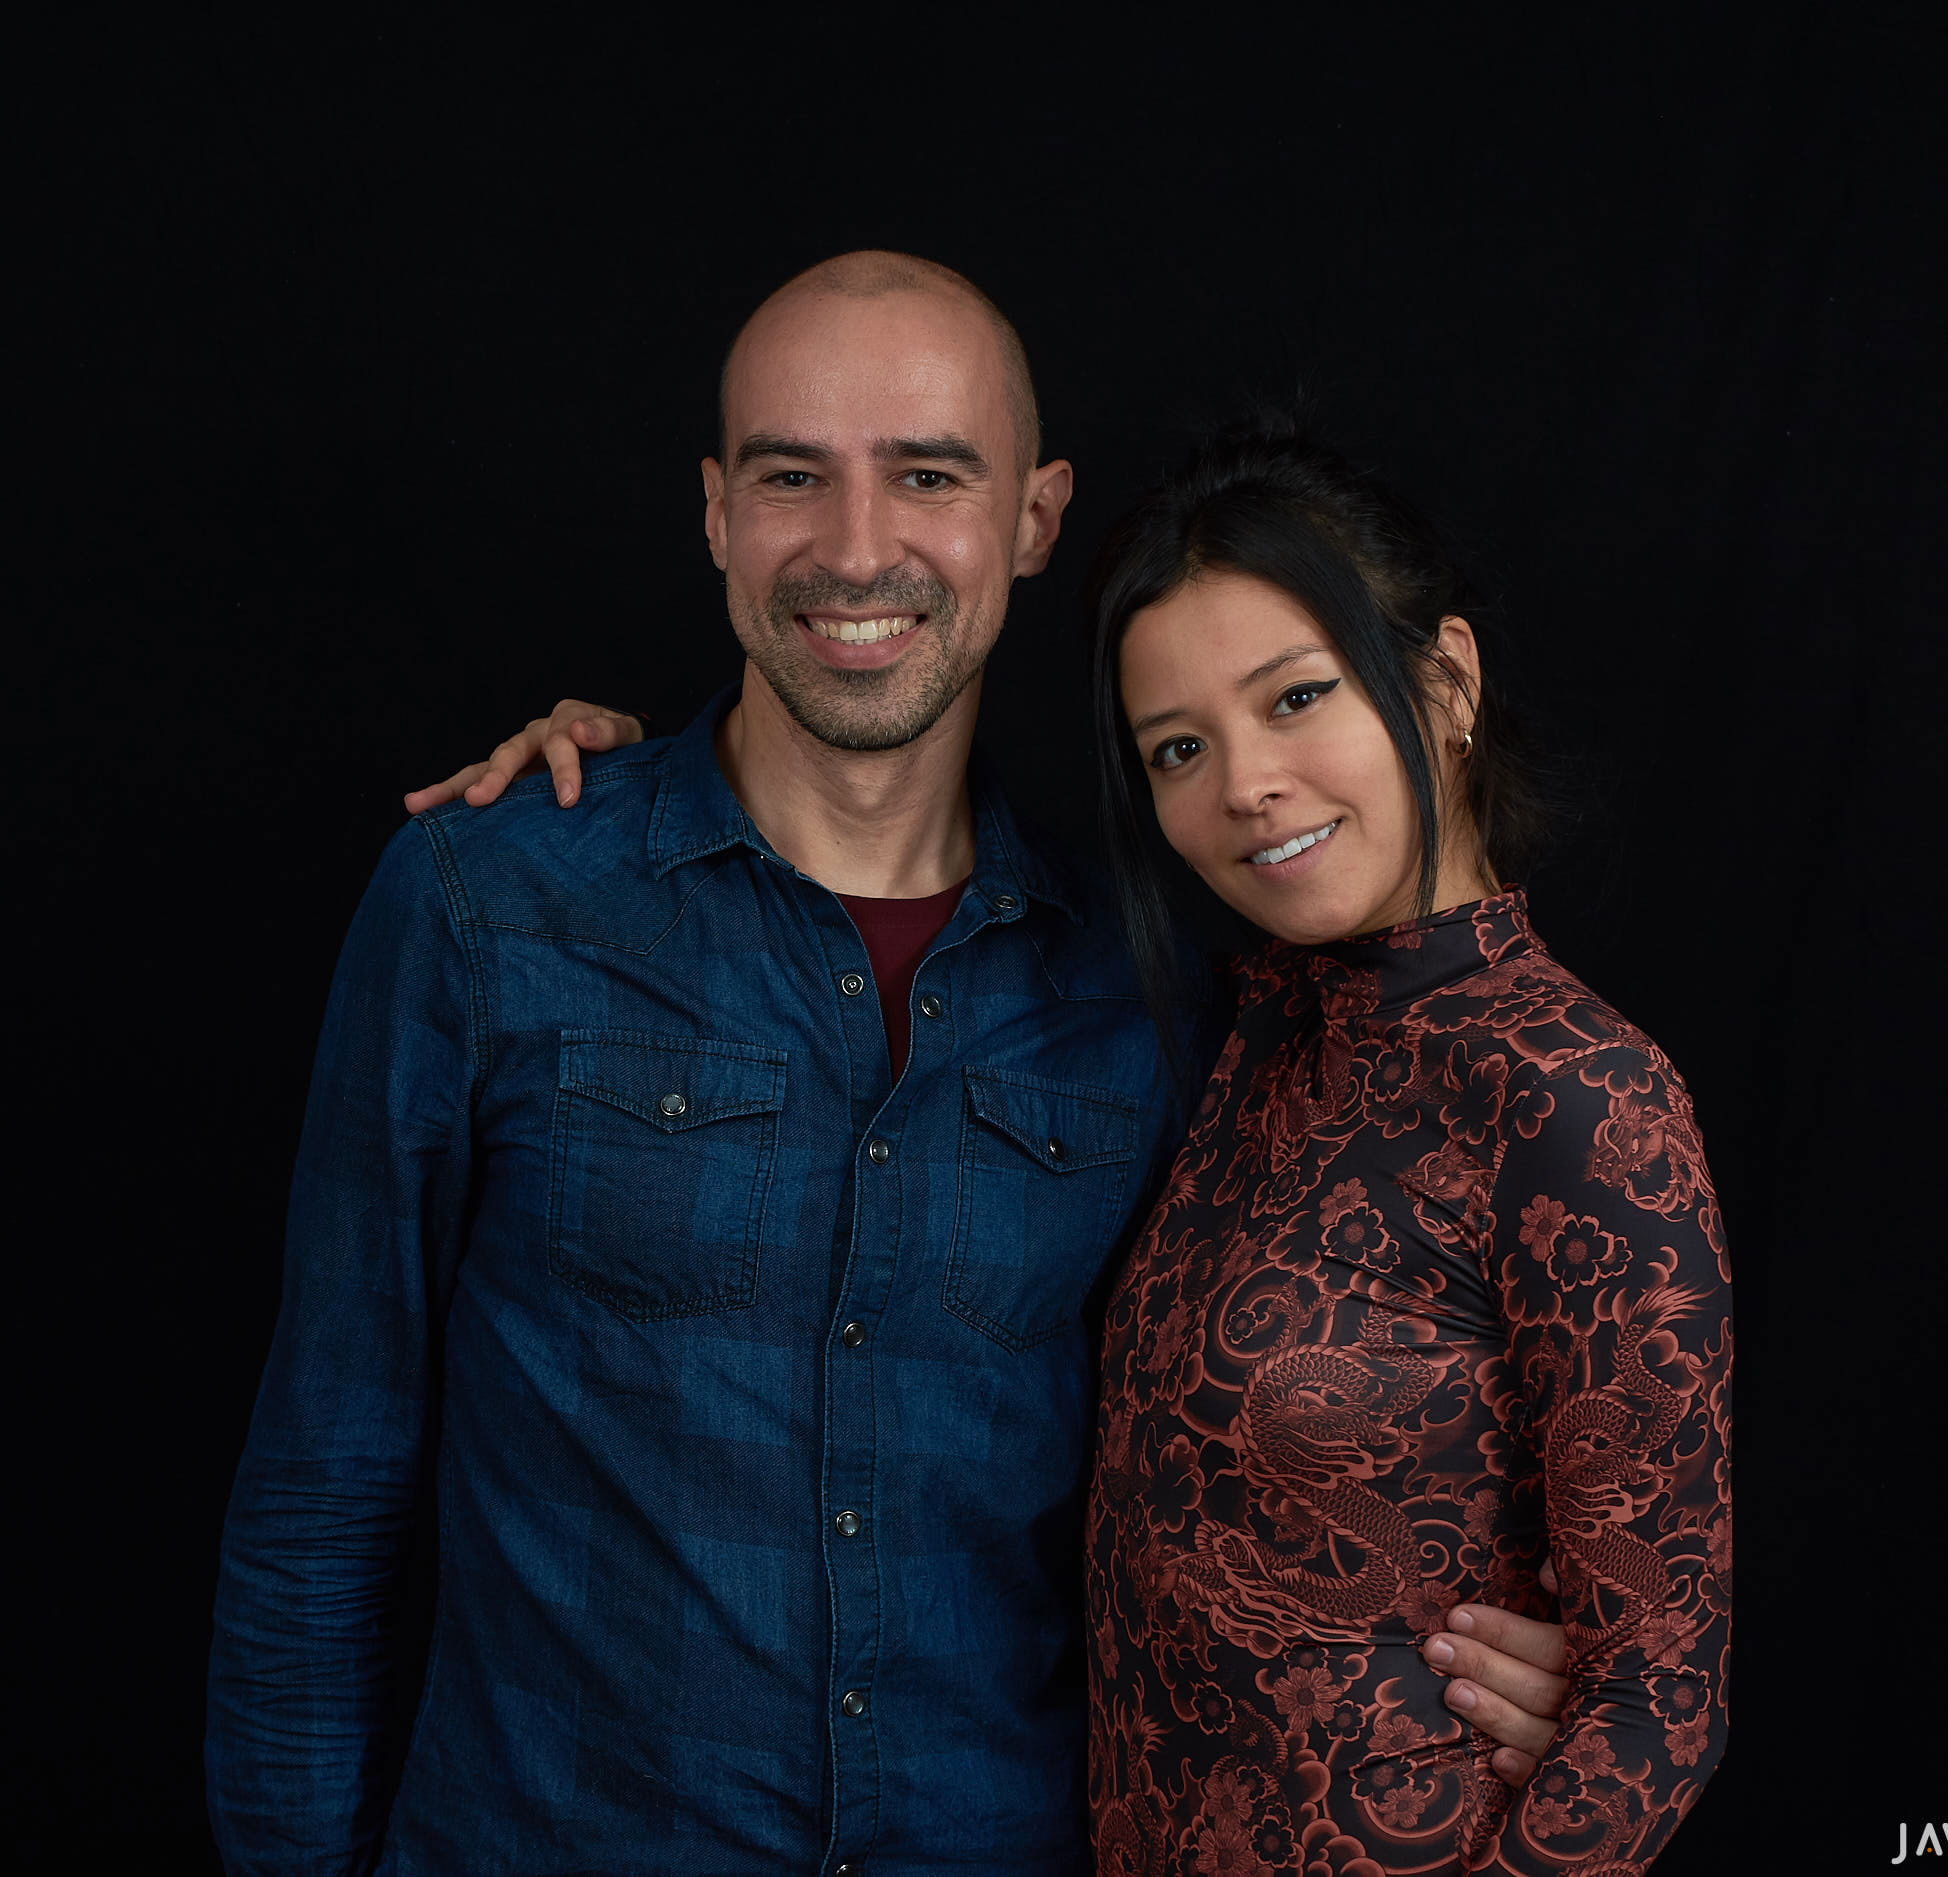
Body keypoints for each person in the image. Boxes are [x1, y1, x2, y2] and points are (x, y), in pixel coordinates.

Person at [211, 251, 1568, 1876]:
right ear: (718, 515)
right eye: (793, 476)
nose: (858, 548)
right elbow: (322, 1488)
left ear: (1034, 517)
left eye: (929, 475)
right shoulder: (486, 903)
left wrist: (1505, 1640)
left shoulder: (1152, 993)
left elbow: (1257, 1462)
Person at [1081, 427, 1731, 1873]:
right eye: (1178, 749)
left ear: (1444, 683)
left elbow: (1658, 1704)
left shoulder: (1573, 1091)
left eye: (1297, 697)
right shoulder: (1242, 1041)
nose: (1244, 784)